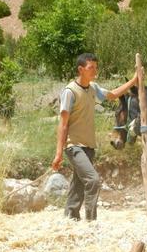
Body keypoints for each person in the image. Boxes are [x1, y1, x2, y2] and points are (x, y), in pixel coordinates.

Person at [51, 53, 138, 221]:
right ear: (81, 69)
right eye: (91, 68)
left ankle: (70, 219)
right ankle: (91, 222)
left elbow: (112, 95)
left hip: (89, 147)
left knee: (78, 185)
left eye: (96, 67)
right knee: (93, 180)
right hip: (74, 146)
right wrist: (58, 153)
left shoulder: (93, 88)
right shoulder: (70, 92)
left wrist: (134, 81)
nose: (95, 71)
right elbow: (63, 124)